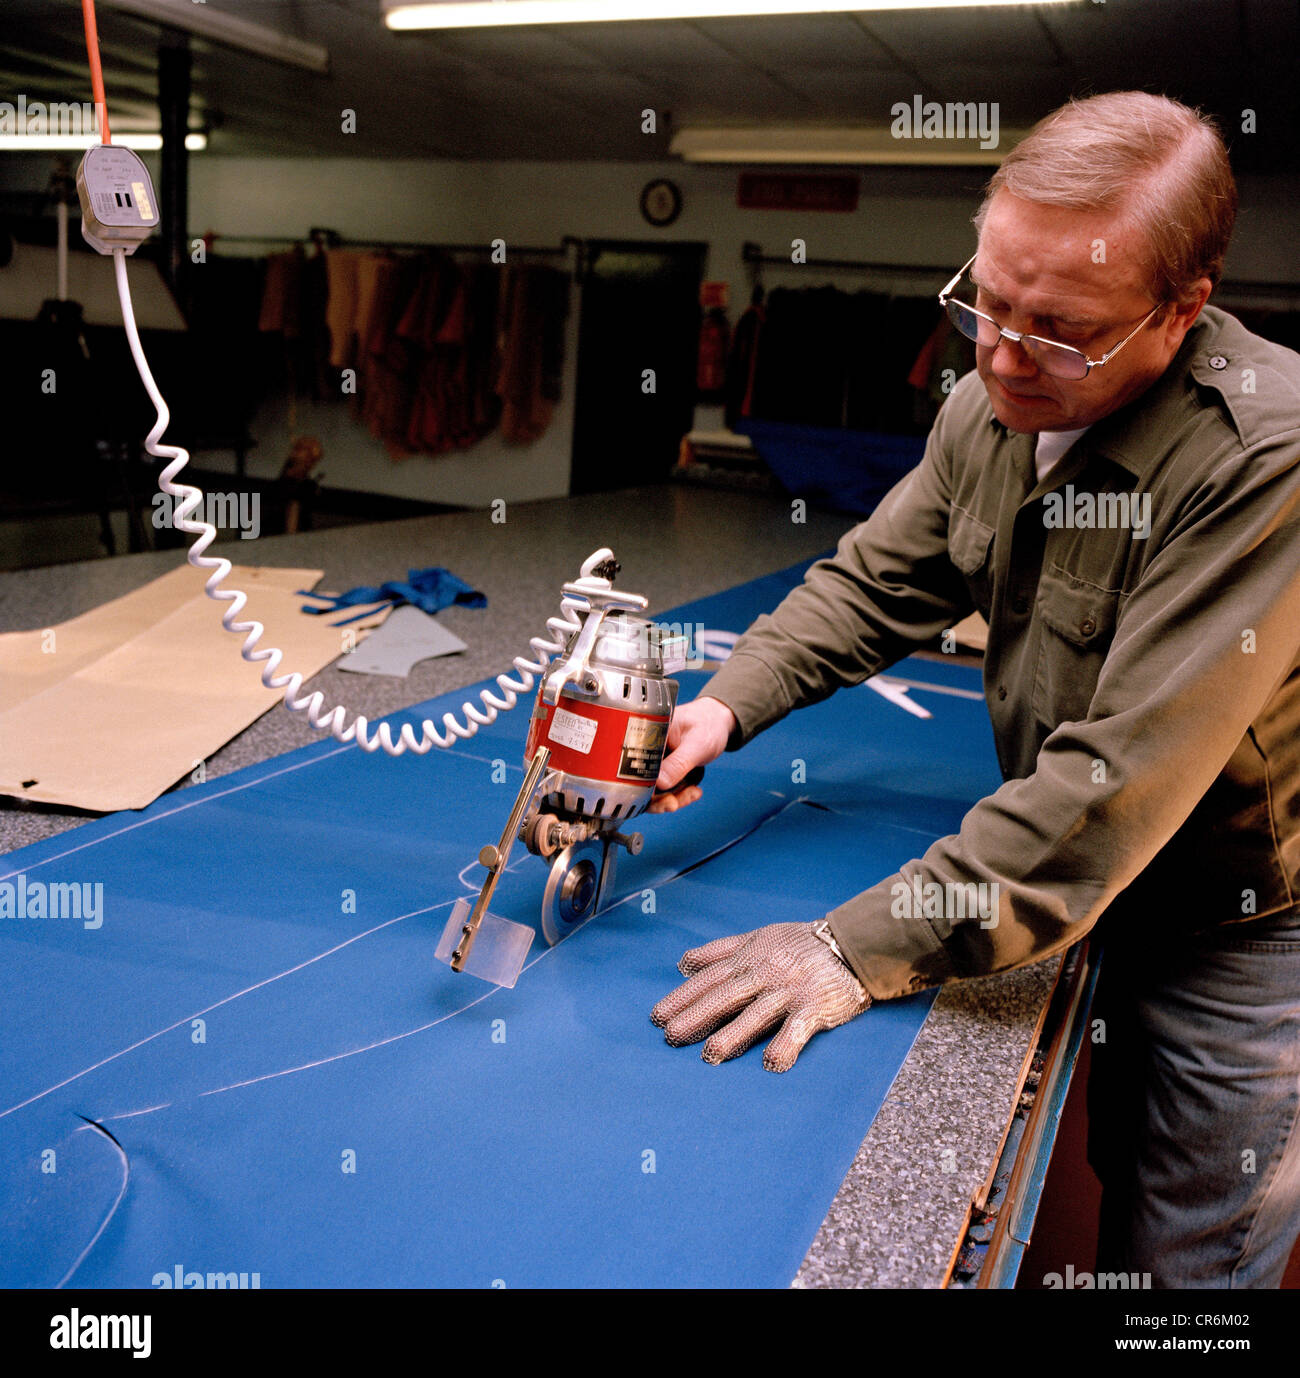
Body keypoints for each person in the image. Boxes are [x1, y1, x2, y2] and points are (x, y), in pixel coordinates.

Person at [648, 91, 1300, 1289]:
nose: (999, 354)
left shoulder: (1266, 454)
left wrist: (848, 948)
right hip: (1080, 871)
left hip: (1237, 917)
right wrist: (719, 708)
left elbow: (1111, 789)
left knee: (1189, 1251)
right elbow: (873, 582)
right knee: (1112, 1154)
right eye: (985, 303)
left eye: (1057, 329)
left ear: (1182, 309)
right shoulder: (992, 399)